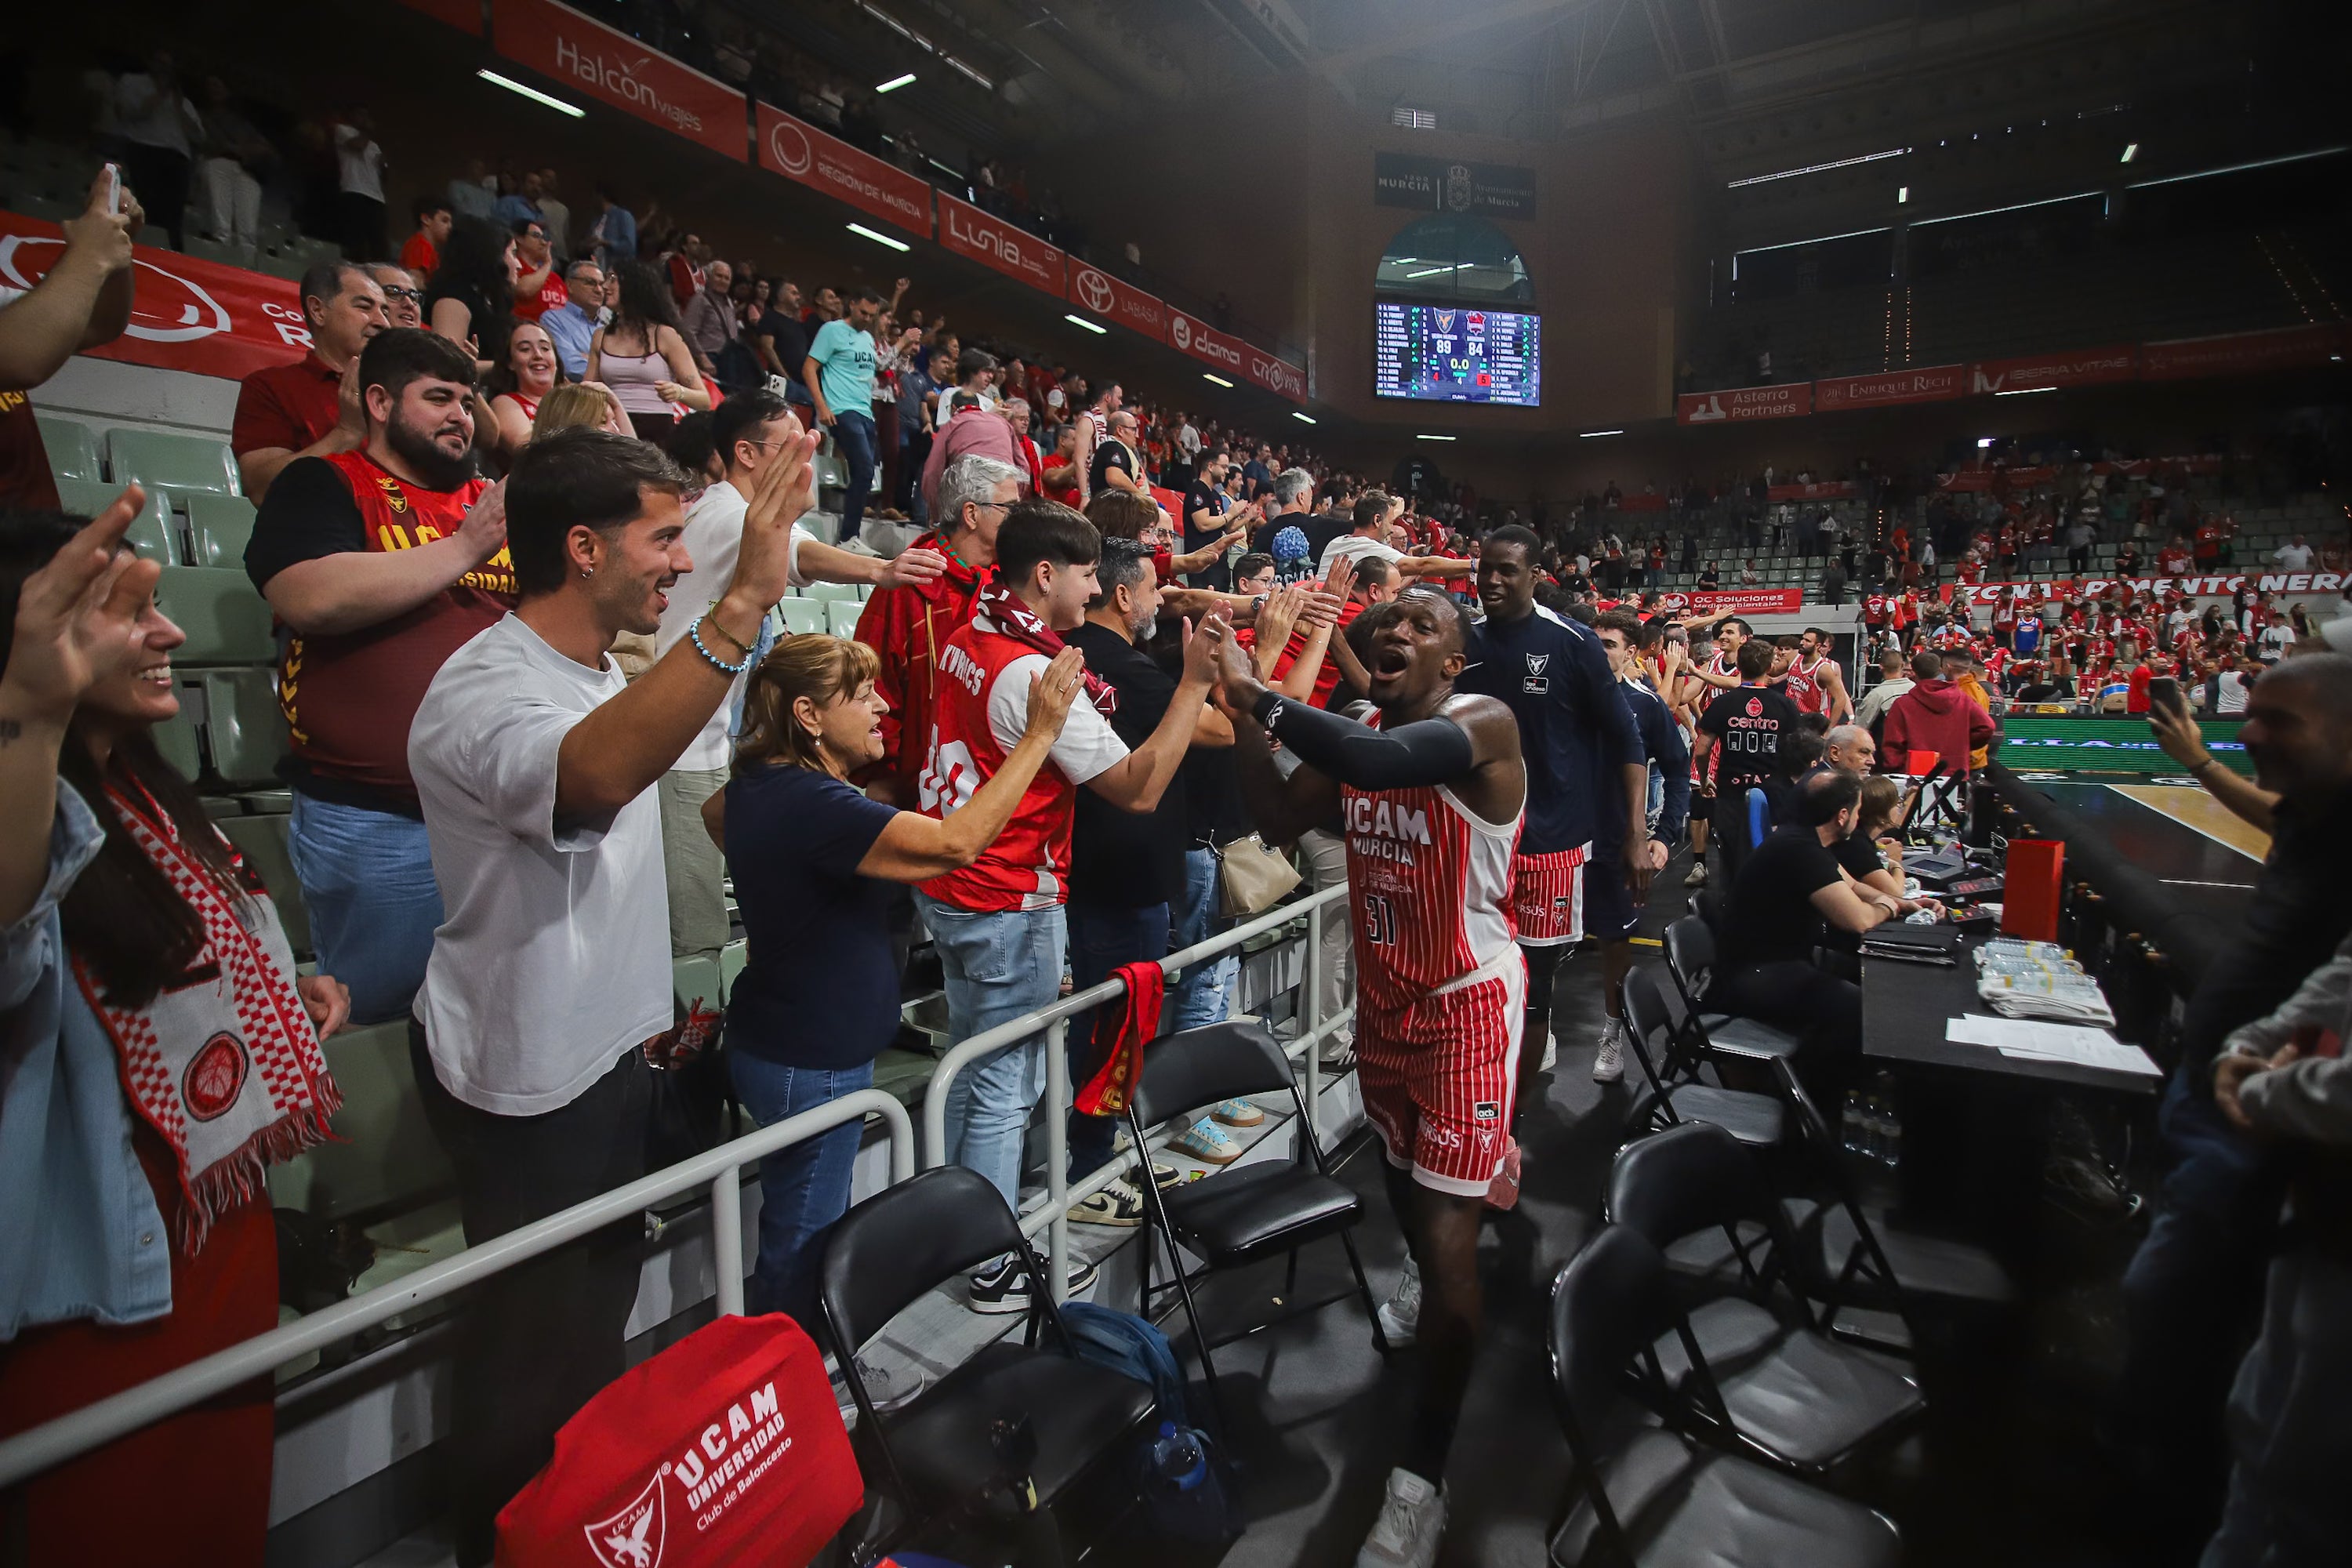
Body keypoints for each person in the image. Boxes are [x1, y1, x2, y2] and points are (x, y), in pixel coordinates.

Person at [404, 424, 808, 1565]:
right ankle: (506, 1538)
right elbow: (590, 780)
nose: (685, 565)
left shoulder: (592, 668)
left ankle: (578, 1529)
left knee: (586, 1344)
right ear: (582, 548)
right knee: (536, 1356)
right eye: (665, 540)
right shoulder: (485, 686)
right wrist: (742, 607)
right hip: (530, 1077)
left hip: (609, 1061)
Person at [0, 497, 349, 1568]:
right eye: (129, 614)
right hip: (105, 1308)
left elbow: (186, 957)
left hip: (216, 1257)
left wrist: (285, 992)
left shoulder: (141, 790)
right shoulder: (27, 803)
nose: (173, 637)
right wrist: (24, 709)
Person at [1211, 586, 1526, 1568]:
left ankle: (1417, 1482)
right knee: (1404, 1199)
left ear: (1453, 663)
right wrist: (1229, 704)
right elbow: (1270, 813)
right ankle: (1424, 1271)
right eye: (1384, 618)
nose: (1394, 630)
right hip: (1387, 1009)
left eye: (1421, 625)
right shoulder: (1353, 728)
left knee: (1448, 1243)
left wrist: (1257, 692)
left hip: (1467, 1005)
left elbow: (1383, 760)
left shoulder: (1481, 726)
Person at [702, 632, 1080, 1405]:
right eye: (862, 694)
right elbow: (957, 841)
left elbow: (718, 814)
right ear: (808, 714)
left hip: (783, 1036)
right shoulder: (816, 804)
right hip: (810, 1054)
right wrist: (1040, 733)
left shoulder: (759, 786)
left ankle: (794, 1378)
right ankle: (799, 1393)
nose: (883, 705)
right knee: (802, 1241)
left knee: (799, 1225)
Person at [913, 499, 1225, 1312]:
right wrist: (1194, 684)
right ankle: (984, 1259)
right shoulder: (1033, 670)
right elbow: (1139, 787)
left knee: (970, 1067)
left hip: (957, 886)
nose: (1095, 589)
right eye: (1088, 572)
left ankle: (952, 1229)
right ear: (1046, 573)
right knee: (1001, 1081)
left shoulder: (970, 633)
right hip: (1007, 893)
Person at [2115, 654, 2352, 1538]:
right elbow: (2278, 818)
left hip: (2266, 1121)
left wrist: (2277, 1082)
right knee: (2205, 1310)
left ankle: (2163, 1496)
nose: (2249, 731)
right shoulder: (2318, 817)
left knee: (2175, 1298)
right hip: (2228, 1093)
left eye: (2280, 720)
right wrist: (2201, 766)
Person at [241, 329, 514, 1025]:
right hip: (375, 819)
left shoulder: (493, 500)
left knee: (493, 1016)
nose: (459, 414)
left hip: (499, 815)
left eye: (468, 399)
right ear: (380, 403)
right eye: (439, 398)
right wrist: (463, 547)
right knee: (379, 1023)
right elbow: (310, 596)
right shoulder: (325, 482)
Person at [653, 390, 945, 964]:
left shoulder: (729, 512)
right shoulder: (725, 514)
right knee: (697, 931)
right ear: (747, 454)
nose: (807, 462)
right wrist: (879, 569)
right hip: (687, 746)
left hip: (709, 737)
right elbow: (800, 554)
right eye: (793, 447)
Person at [1062, 537, 1240, 1204]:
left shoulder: (1084, 653)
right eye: (1153, 587)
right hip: (1125, 873)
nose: (1162, 597)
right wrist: (1205, 676)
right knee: (1113, 1028)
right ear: (1123, 594)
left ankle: (1099, 1158)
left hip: (1105, 868)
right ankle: (1094, 1170)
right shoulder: (1126, 671)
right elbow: (1222, 730)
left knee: (1106, 1024)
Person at [1459, 526, 1646, 1092]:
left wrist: (1637, 832)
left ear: (1534, 575)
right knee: (1478, 977)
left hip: (1549, 843)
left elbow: (1627, 741)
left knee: (1535, 989)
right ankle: (1482, 1093)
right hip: (1477, 837)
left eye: (1506, 570)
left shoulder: (1572, 641)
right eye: (1484, 568)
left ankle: (1510, 1122)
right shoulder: (1465, 639)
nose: (1491, 579)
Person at [2201, 924, 2352, 1568]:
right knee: (2261, 1430)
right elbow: (2334, 979)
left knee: (2312, 1490)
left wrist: (2261, 1090)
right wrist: (2248, 1050)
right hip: (2319, 1206)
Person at [1710, 768, 1928, 1098]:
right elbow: (1858, 920)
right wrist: (1892, 908)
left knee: (1866, 978)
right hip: (1754, 974)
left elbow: (1853, 886)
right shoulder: (1800, 851)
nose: (1858, 817)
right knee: (1857, 1005)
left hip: (1771, 961)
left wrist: (1901, 902)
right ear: (1843, 816)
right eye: (1856, 810)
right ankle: (1814, 1095)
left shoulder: (1805, 838)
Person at [854, 454, 1024, 806]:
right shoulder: (909, 582)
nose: (1018, 520)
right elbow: (874, 680)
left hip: (988, 780)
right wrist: (883, 773)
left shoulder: (1006, 585)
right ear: (972, 514)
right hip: (914, 784)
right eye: (1009, 508)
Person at [1584, 608, 1690, 1078]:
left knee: (1615, 941)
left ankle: (1612, 1034)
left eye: (1610, 643)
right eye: (1595, 641)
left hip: (1613, 845)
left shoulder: (1646, 705)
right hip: (1558, 842)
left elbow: (1677, 766)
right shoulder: (1564, 695)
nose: (1599, 650)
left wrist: (1664, 836)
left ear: (1632, 652)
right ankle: (1538, 1029)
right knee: (1536, 944)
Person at [0, 169, 142, 510]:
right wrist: (92, 254)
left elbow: (99, 322)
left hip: (32, 542)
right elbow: (21, 360)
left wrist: (113, 247)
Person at [230, 262, 389, 501]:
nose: (383, 322)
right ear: (318, 311)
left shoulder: (399, 391)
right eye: (364, 306)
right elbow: (260, 487)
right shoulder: (271, 386)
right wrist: (347, 433)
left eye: (385, 311)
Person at [1691, 637, 1803, 889]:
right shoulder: (1785, 705)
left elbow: (1701, 750)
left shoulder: (1722, 703)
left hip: (1731, 792)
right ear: (1770, 667)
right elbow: (1799, 752)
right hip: (1775, 794)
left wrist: (1705, 777)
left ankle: (1731, 913)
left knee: (1731, 860)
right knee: (1772, 858)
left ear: (1738, 666)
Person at [588, 263, 710, 443]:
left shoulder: (665, 335)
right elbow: (587, 390)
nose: (605, 286)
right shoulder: (600, 336)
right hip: (612, 430)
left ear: (635, 287)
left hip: (657, 434)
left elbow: (704, 400)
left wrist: (678, 392)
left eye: (612, 279)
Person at [423, 216, 519, 379]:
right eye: (513, 253)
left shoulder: (491, 299)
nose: (519, 264)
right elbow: (444, 365)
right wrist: (513, 366)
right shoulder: (453, 298)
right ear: (493, 255)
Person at [1319, 492, 1473, 586]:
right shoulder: (1371, 549)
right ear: (1378, 520)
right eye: (1391, 522)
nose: (1391, 529)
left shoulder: (1336, 543)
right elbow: (1424, 565)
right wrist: (1474, 564)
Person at [1883, 648, 1993, 778]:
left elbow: (1892, 745)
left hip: (1913, 775)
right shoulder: (1963, 699)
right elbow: (1987, 727)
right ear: (1940, 670)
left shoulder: (1902, 704)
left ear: (1914, 673)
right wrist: (1963, 744)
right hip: (1955, 775)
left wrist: (1899, 768)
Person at [486, 318, 560, 459]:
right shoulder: (504, 403)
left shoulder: (574, 398)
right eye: (525, 349)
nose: (538, 355)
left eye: (545, 348)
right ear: (510, 363)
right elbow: (529, 450)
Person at [330, 109, 386, 262]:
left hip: (376, 196)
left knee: (378, 244)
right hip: (354, 190)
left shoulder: (374, 145)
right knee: (355, 241)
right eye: (361, 114)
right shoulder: (343, 130)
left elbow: (383, 172)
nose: (365, 118)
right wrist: (367, 131)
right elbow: (358, 145)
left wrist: (384, 166)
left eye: (367, 115)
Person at [541, 260, 605, 381]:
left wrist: (589, 358)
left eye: (602, 284)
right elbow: (569, 366)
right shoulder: (553, 319)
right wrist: (613, 369)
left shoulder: (609, 325)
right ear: (569, 285)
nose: (599, 290)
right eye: (590, 283)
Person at [1854, 646, 1912, 733]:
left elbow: (1860, 728)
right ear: (1903, 665)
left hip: (1886, 743)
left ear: (1881, 667)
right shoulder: (1916, 689)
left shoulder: (1876, 695)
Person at [400, 196, 452, 280]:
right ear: (426, 219)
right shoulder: (421, 245)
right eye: (444, 221)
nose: (450, 226)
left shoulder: (427, 247)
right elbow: (416, 284)